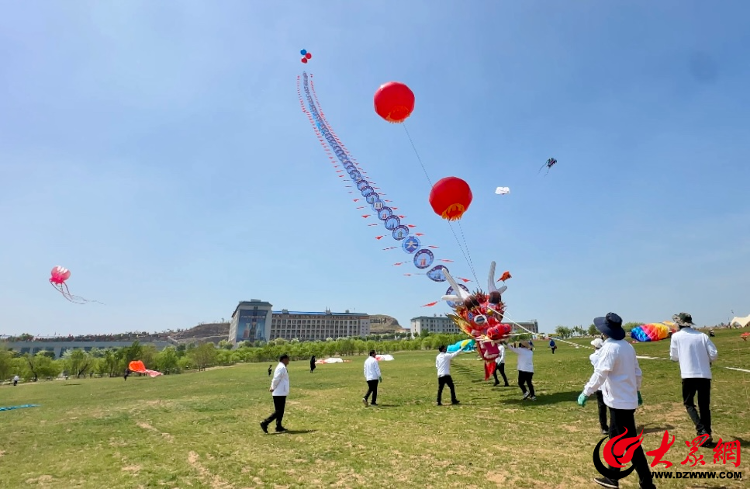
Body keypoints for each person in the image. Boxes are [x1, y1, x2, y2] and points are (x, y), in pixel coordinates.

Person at [578, 312, 654, 489]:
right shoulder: (627, 346)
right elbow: (637, 372)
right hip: (624, 400)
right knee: (615, 440)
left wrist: (586, 392)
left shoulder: (610, 348)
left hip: (619, 402)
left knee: (631, 445)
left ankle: (647, 483)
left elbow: (601, 373)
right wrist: (636, 390)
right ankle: (613, 477)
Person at [670, 312, 718, 444]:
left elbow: (673, 357)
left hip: (688, 375)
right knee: (704, 406)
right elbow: (714, 354)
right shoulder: (702, 336)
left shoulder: (676, 337)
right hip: (704, 375)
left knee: (689, 403)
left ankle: (701, 431)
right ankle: (707, 433)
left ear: (679, 323)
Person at [261, 354, 290, 434]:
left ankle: (278, 426)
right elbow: (276, 379)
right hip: (279, 392)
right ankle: (265, 422)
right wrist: (272, 387)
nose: (288, 361)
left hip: (281, 392)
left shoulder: (282, 367)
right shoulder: (281, 367)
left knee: (281, 411)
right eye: (288, 359)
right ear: (284, 359)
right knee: (278, 411)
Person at [589, 338, 609, 434]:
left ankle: (604, 427)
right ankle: (614, 426)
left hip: (600, 385)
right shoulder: (606, 354)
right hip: (608, 384)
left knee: (602, 407)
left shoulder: (593, 356)